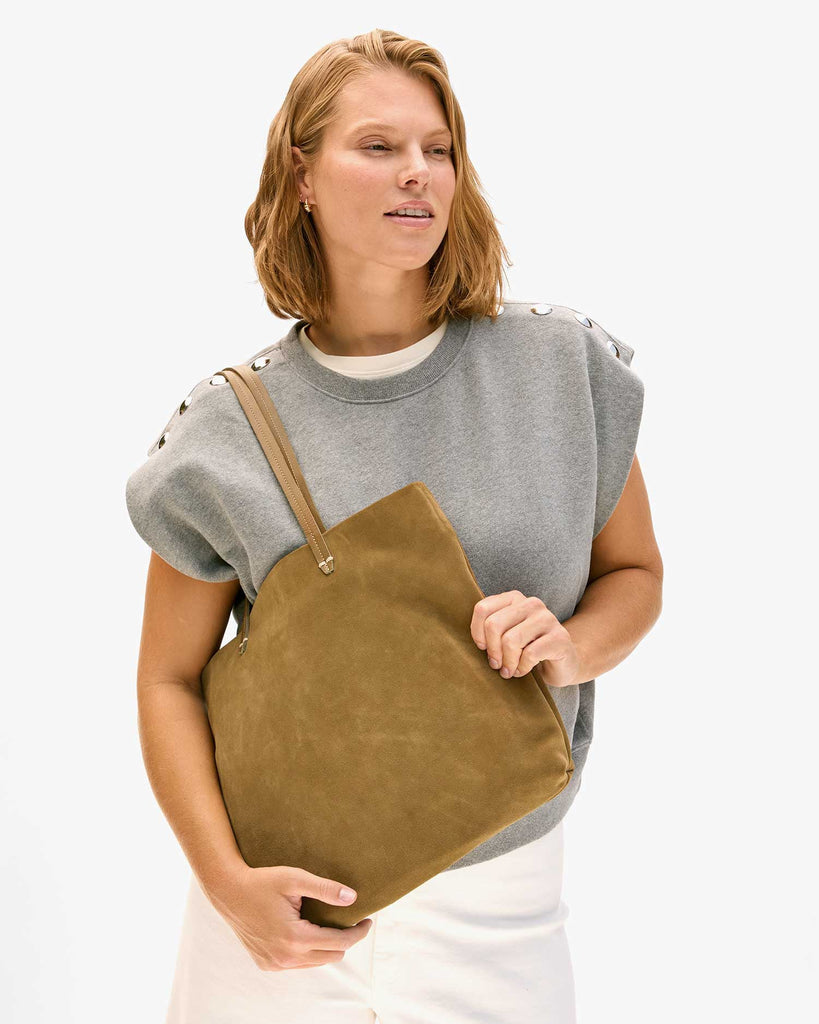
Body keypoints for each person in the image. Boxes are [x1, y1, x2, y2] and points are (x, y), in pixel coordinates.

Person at [125, 27, 663, 1024]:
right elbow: (166, 680)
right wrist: (228, 885)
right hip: (279, 911)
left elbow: (634, 573)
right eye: (378, 146)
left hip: (501, 909)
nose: (418, 171)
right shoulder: (229, 427)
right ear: (302, 177)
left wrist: (570, 646)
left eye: (438, 148)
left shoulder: (557, 370)